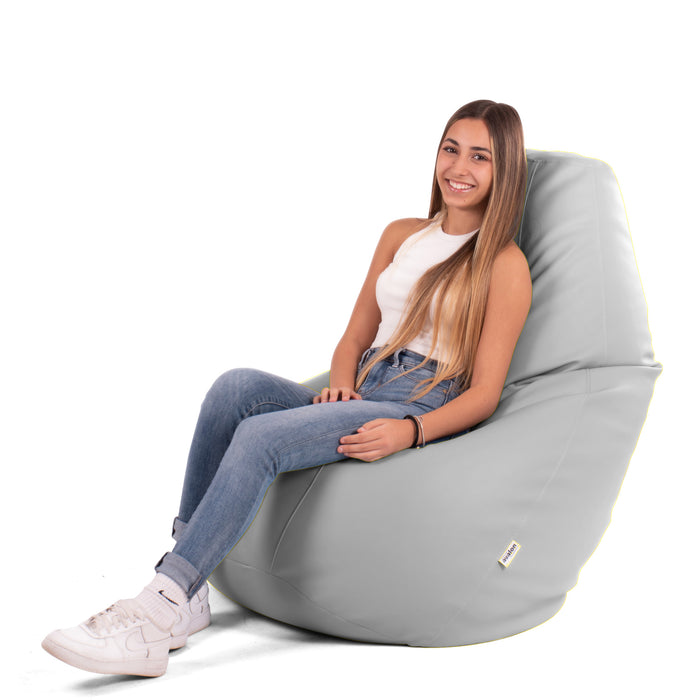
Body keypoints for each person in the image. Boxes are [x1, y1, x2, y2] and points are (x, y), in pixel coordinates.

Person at [42, 99, 532, 677]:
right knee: (234, 389)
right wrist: (342, 386)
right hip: (365, 382)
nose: (459, 167)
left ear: (505, 171)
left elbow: (484, 394)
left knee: (260, 437)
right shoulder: (402, 234)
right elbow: (354, 337)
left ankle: (158, 609)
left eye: (480, 157)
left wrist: (411, 431)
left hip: (418, 400)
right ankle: (186, 590)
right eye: (451, 149)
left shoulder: (503, 264)